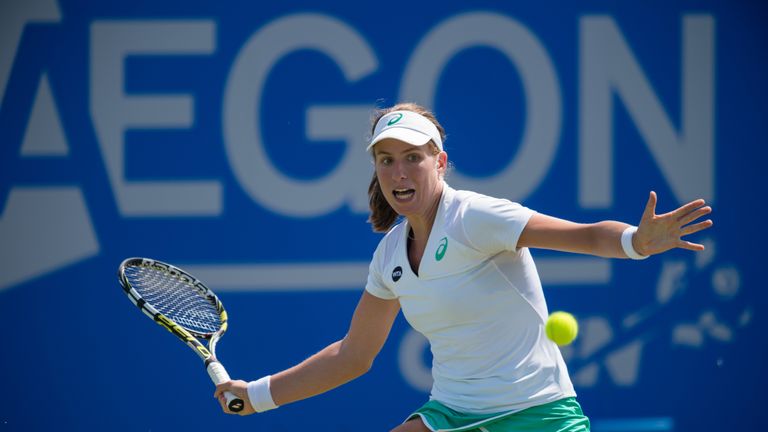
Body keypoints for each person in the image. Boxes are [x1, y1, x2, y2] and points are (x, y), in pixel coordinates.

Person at [214, 102, 713, 431]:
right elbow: (353, 356)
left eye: (412, 157)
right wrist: (256, 396)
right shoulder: (389, 256)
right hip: (449, 417)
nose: (398, 172)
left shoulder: (476, 216)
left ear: (440, 163)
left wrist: (635, 241)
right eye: (386, 160)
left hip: (537, 416)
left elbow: (582, 236)